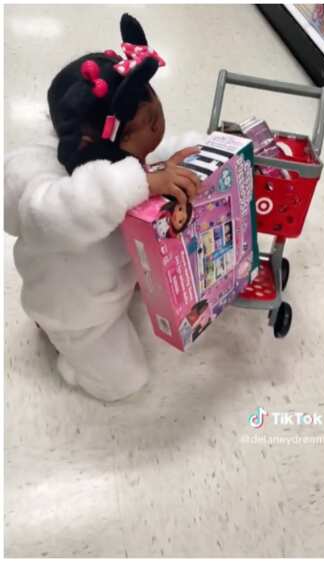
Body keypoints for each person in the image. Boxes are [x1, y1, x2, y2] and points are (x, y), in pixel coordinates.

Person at [4, 13, 204, 401]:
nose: (162, 125)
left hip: (113, 282)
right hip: (79, 312)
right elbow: (58, 213)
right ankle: (70, 355)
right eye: (154, 122)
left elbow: (159, 153)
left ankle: (74, 326)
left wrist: (208, 146)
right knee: (125, 383)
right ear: (115, 139)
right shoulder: (49, 187)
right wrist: (144, 181)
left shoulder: (119, 152)